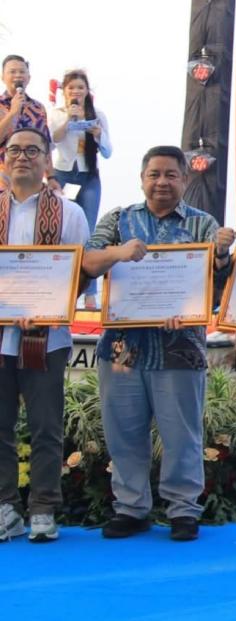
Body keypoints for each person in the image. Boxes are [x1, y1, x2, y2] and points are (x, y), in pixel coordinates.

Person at [82, 145, 235, 541]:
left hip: (179, 347)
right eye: (154, 174)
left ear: (185, 179)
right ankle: (131, 508)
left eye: (171, 174)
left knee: (182, 435)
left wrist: (221, 255)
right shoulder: (119, 220)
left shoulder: (203, 225)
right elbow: (88, 261)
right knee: (124, 432)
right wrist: (120, 252)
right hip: (122, 350)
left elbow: (219, 286)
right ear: (142, 179)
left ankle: (183, 510)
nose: (162, 182)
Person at [0, 127, 89, 543]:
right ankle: (5, 507)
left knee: (46, 426)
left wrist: (45, 307)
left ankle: (43, 509)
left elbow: (80, 277)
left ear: (47, 159)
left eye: (32, 150)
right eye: (14, 150)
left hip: (47, 337)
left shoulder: (70, 213)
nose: (22, 157)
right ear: (4, 158)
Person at [49, 69, 112, 310]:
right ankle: (59, 288)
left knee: (88, 232)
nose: (76, 92)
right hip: (62, 174)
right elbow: (51, 141)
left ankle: (90, 294)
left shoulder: (98, 115)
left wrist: (98, 135)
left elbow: (108, 151)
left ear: (87, 91)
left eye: (80, 87)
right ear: (64, 91)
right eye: (71, 88)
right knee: (58, 229)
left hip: (88, 176)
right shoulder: (56, 114)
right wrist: (69, 120)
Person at [0, 55, 49, 190]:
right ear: (3, 77)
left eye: (22, 72)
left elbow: (45, 145)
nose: (18, 75)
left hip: (31, 177)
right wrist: (13, 112)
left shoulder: (38, 108)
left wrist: (51, 177)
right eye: (12, 71)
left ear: (28, 77)